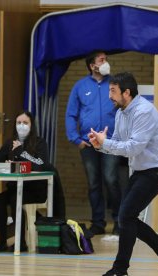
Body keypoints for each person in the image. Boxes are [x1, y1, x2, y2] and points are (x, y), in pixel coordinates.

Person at [88, 72, 158, 276]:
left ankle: (120, 269)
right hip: (142, 170)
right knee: (127, 218)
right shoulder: (122, 111)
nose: (109, 96)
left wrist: (106, 144)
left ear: (127, 92)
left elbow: (132, 148)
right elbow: (118, 143)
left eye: (113, 91)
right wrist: (100, 146)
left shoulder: (143, 111)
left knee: (126, 216)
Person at [65, 50, 123, 235]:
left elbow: (125, 109)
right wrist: (76, 139)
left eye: (106, 58)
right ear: (92, 65)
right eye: (102, 60)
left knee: (111, 179)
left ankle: (119, 221)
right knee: (93, 183)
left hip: (110, 142)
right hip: (88, 143)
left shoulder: (114, 84)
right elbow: (71, 114)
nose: (106, 62)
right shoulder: (80, 86)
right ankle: (98, 223)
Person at [0, 110, 66, 252]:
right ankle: (2, 240)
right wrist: (5, 162)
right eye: (19, 123)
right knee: (1, 199)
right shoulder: (10, 143)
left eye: (25, 123)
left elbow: (41, 164)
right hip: (16, 187)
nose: (21, 126)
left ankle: (21, 242)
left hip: (36, 190)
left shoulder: (39, 143)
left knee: (15, 199)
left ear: (31, 125)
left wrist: (20, 152)